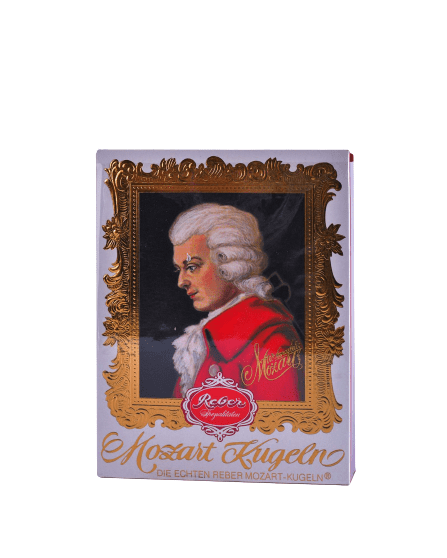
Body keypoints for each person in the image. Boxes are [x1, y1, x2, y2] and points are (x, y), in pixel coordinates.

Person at [170, 203, 303, 401]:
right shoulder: (200, 341)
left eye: (192, 267)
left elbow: (280, 420)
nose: (181, 282)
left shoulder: (272, 341)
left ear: (229, 263)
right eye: (178, 269)